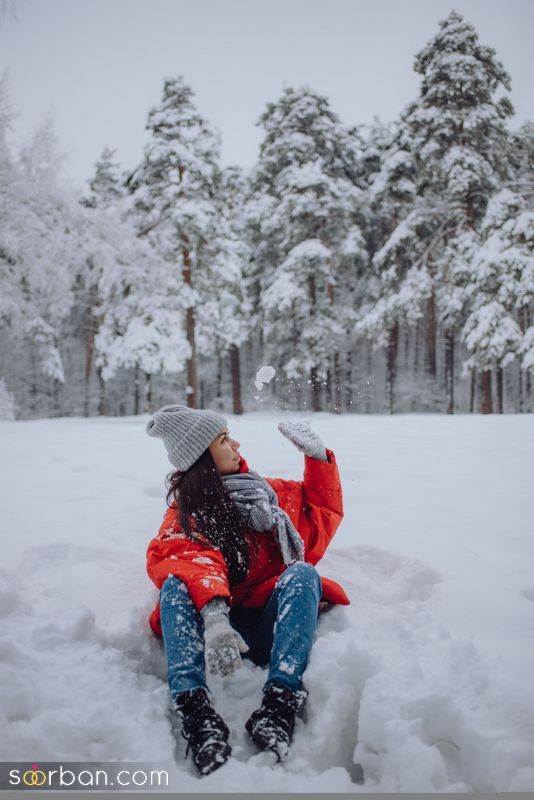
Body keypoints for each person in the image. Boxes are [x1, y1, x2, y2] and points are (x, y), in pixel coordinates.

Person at [145, 404, 349, 776]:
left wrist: (318, 459)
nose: (236, 443)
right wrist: (216, 618)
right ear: (202, 458)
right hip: (214, 638)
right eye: (224, 439)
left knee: (303, 574)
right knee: (175, 586)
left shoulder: (264, 494)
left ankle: (279, 705)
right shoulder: (184, 514)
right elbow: (189, 559)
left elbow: (319, 516)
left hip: (271, 627)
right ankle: (196, 713)